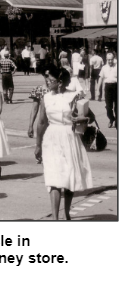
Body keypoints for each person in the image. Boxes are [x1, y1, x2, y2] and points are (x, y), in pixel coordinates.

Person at [35, 65, 93, 220]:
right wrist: (37, 144)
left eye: (51, 80)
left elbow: (90, 117)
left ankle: (66, 213)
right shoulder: (46, 97)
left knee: (69, 177)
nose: (47, 82)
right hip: (51, 138)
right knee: (53, 178)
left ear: (60, 82)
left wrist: (82, 119)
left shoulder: (74, 96)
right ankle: (55, 218)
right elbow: (41, 122)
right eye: (47, 79)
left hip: (69, 137)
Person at [98, 53, 117, 128]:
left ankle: (117, 122)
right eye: (109, 59)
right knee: (108, 106)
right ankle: (112, 119)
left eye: (111, 59)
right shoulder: (104, 68)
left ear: (113, 59)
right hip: (108, 87)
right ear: (106, 59)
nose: (110, 61)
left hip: (116, 86)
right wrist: (98, 90)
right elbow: (100, 78)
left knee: (117, 106)